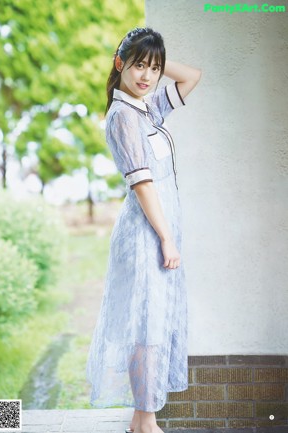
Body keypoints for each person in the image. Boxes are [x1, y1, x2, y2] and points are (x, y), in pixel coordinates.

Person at [86, 27, 202, 433]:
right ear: (120, 64)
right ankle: (148, 422)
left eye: (153, 69)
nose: (147, 76)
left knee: (153, 323)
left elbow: (192, 77)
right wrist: (167, 238)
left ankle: (139, 424)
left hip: (159, 232)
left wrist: (153, 53)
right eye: (138, 66)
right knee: (146, 328)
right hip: (145, 235)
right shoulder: (123, 116)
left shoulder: (145, 108)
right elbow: (143, 183)